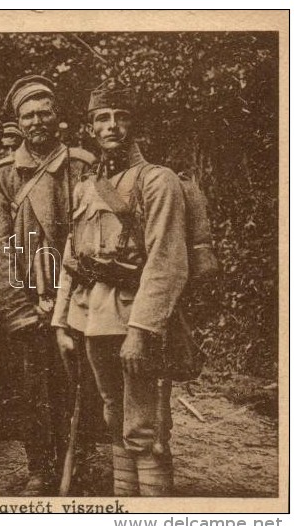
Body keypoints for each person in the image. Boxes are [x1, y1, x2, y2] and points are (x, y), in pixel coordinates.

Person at [52, 84, 188, 496]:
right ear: (90, 128)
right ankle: (125, 502)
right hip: (94, 315)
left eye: (121, 116)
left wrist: (142, 330)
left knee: (144, 420)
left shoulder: (157, 180)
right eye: (102, 118)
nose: (112, 125)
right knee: (112, 413)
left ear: (135, 124)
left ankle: (153, 509)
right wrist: (62, 320)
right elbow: (73, 258)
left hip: (134, 316)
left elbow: (167, 262)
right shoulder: (87, 185)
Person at [0, 75, 95, 495]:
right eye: (27, 115)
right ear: (18, 121)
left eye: (44, 112)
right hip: (29, 302)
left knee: (81, 383)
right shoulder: (3, 175)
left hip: (79, 295)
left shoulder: (82, 166)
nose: (36, 121)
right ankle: (39, 467)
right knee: (32, 387)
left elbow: (95, 234)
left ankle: (78, 460)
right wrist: (20, 308)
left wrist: (72, 300)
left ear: (57, 116)